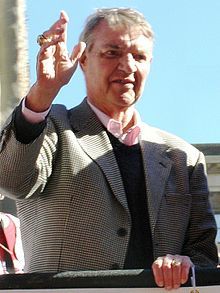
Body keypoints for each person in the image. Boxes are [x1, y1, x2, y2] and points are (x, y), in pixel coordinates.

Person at [0, 7, 218, 290]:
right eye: (112, 53)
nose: (127, 66)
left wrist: (184, 263)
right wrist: (42, 94)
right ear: (83, 61)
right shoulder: (52, 125)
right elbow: (11, 180)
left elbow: (203, 257)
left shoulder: (184, 158)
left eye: (138, 56)